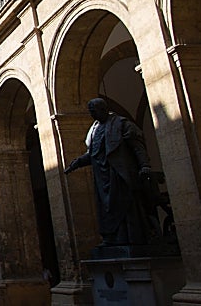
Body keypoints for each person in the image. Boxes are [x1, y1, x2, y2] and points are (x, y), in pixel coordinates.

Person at [64, 97, 153, 246]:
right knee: (105, 209)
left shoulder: (122, 124)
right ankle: (110, 238)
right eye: (90, 112)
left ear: (103, 109)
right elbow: (93, 154)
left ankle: (131, 239)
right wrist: (78, 162)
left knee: (124, 206)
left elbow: (137, 146)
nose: (92, 114)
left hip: (119, 172)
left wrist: (144, 165)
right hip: (102, 176)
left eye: (94, 111)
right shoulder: (93, 130)